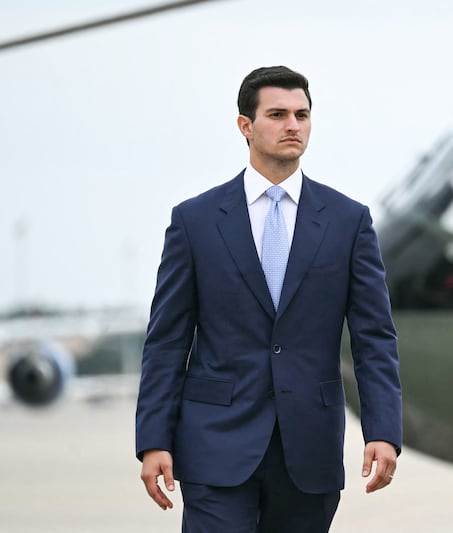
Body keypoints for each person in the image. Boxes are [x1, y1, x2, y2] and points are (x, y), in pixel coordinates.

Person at [135, 65, 402, 532]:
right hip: (214, 444)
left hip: (309, 448)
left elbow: (374, 338)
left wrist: (383, 431)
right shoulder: (194, 222)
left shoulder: (348, 221)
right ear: (246, 126)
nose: (292, 125)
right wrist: (153, 439)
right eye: (277, 114)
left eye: (302, 114)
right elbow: (167, 342)